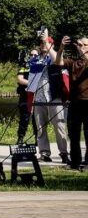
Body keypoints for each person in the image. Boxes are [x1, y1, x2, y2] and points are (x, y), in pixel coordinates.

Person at [28, 34, 69, 162]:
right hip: (39, 98)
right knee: (40, 127)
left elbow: (57, 61)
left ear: (52, 45)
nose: (43, 45)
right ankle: (44, 153)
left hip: (54, 97)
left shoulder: (55, 57)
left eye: (46, 43)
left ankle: (63, 153)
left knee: (60, 126)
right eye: (41, 43)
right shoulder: (34, 60)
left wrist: (49, 46)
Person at [56, 36, 88, 170]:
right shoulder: (73, 62)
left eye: (84, 45)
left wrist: (82, 52)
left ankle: (87, 163)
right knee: (73, 134)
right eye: (79, 45)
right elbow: (58, 62)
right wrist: (61, 47)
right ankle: (75, 162)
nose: (81, 47)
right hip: (75, 103)